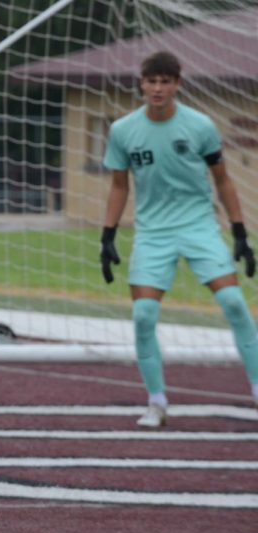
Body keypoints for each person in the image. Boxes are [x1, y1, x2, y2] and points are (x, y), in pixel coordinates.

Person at [100, 50, 258, 428]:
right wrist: (107, 237)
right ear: (141, 84)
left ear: (177, 85)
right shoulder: (123, 130)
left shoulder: (200, 125)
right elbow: (119, 186)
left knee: (235, 303)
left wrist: (239, 233)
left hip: (199, 227)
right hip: (153, 233)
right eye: (151, 81)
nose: (158, 88)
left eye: (165, 82)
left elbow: (222, 179)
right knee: (144, 315)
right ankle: (156, 402)